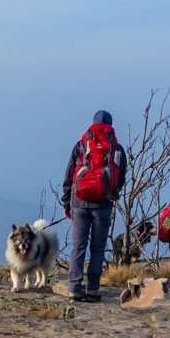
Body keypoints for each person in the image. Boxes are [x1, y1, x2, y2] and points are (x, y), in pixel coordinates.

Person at [62, 109, 127, 301]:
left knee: (78, 247)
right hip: (103, 205)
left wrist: (67, 202)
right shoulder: (117, 149)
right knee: (98, 248)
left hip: (80, 203)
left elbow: (69, 175)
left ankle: (74, 288)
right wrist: (111, 193)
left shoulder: (81, 145)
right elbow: (120, 177)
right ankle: (92, 289)